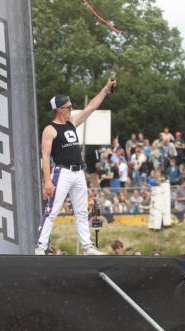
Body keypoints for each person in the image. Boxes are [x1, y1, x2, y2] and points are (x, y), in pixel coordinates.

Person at [36, 77, 116, 255]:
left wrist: (105, 89)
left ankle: (88, 247)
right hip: (62, 172)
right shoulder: (50, 129)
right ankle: (40, 246)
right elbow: (45, 156)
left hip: (79, 172)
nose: (71, 109)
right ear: (59, 109)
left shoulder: (71, 122)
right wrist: (47, 181)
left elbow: (91, 107)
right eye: (68, 107)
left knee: (81, 212)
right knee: (53, 210)